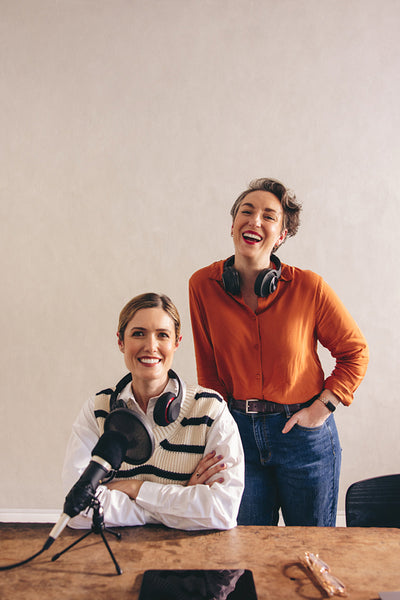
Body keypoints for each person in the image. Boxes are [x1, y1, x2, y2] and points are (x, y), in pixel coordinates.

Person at [189, 177, 369, 527]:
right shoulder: (202, 286)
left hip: (303, 437)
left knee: (309, 550)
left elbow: (354, 352)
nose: (255, 220)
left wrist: (322, 408)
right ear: (232, 225)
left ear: (282, 235)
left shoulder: (309, 287)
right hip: (237, 433)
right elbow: (209, 371)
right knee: (248, 552)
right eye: (247, 211)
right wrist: (215, 433)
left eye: (269, 216)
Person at [62, 292, 244, 531]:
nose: (150, 346)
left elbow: (222, 511)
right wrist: (181, 501)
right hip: (115, 553)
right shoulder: (98, 409)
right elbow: (77, 510)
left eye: (162, 335)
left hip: (189, 557)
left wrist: (134, 489)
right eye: (138, 333)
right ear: (121, 341)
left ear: (176, 343)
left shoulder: (210, 408)